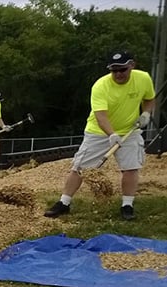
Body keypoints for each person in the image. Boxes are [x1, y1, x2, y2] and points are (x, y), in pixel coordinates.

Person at [44, 51, 155, 221]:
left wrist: (146, 113)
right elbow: (100, 116)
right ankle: (64, 203)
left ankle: (127, 205)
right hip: (98, 132)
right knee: (80, 168)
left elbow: (149, 99)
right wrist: (111, 135)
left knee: (131, 167)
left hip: (129, 130)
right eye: (114, 70)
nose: (118, 74)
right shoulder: (100, 86)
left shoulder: (143, 78)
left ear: (132, 65)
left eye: (122, 69)